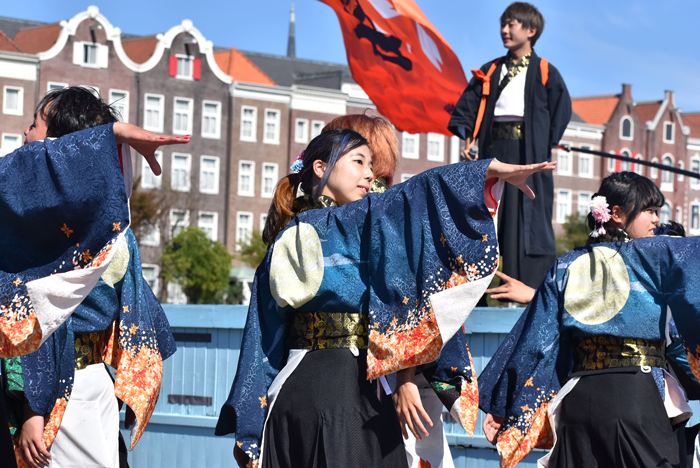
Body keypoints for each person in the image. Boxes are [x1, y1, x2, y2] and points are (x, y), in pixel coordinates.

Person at [215, 126, 556, 467]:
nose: (368, 174)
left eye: (371, 164)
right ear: (320, 168)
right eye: (359, 161)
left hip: (299, 391)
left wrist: (250, 428)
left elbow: (261, 340)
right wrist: (490, 170)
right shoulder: (356, 220)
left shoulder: (287, 237)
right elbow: (422, 190)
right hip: (344, 394)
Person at [0, 90, 187, 467]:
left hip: (62, 395)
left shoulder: (52, 239)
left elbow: (42, 324)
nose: (25, 132)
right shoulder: (116, 231)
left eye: (35, 124)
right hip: (90, 386)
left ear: (59, 150)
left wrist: (33, 409)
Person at [477, 171, 700, 468]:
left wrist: (505, 404)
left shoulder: (566, 264)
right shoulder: (655, 255)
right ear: (617, 214)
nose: (656, 220)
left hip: (577, 402)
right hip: (634, 397)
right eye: (649, 210)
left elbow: (535, 340)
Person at [323, 115, 463, 468]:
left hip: (387, 365)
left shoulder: (377, 211)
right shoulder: (389, 208)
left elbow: (408, 294)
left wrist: (404, 376)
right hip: (412, 365)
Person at [448, 2, 571, 291]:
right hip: (492, 152)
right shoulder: (490, 69)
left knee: (528, 221)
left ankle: (524, 292)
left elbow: (560, 111)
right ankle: (473, 297)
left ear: (531, 30)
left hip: (529, 154)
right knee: (480, 217)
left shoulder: (545, 70)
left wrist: (543, 145)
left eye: (512, 24)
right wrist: (469, 142)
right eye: (503, 24)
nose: (505, 29)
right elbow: (467, 108)